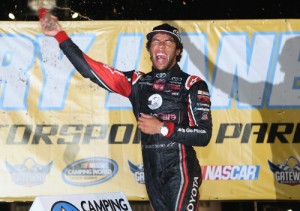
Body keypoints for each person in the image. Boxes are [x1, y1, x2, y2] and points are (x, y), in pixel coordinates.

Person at [40, 16, 212, 211]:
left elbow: (204, 135)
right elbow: (91, 70)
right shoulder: (137, 82)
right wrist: (59, 36)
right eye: (156, 41)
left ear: (178, 50)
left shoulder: (192, 84)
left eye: (168, 42)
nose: (161, 46)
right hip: (152, 171)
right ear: (149, 49)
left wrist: (162, 128)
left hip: (182, 169)